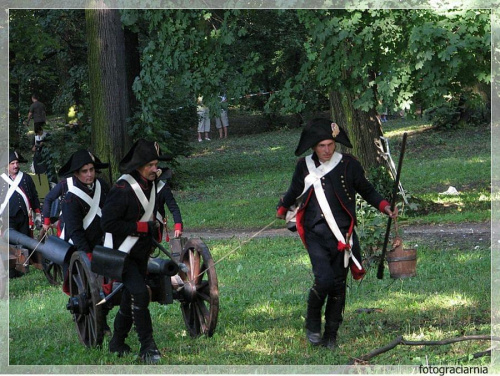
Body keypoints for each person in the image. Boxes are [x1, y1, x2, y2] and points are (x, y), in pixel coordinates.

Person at [276, 118, 397, 350]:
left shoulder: (349, 165)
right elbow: (294, 190)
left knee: (339, 287)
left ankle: (331, 335)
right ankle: (313, 324)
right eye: (322, 145)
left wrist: (384, 205)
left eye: (330, 144)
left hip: (343, 236)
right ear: (313, 146)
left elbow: (366, 189)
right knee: (323, 280)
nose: (327, 150)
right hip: (315, 233)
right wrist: (282, 210)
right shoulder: (304, 166)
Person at [101, 139, 171, 363]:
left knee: (130, 296)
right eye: (150, 165)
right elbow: (107, 224)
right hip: (121, 254)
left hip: (140, 251)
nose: (154, 169)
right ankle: (148, 347)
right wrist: (140, 227)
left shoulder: (150, 184)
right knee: (140, 293)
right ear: (139, 166)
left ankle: (117, 342)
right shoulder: (123, 189)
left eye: (156, 164)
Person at [0, 150, 41, 237]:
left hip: (25, 216)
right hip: (8, 217)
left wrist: (37, 214)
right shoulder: (1, 180)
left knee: (25, 242)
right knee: (10, 244)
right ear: (7, 166)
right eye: (12, 163)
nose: (16, 166)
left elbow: (34, 196)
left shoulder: (26, 178)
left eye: (17, 163)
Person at [156, 166, 183, 241]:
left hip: (156, 224)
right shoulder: (140, 188)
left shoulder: (164, 188)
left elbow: (174, 208)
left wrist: (178, 227)